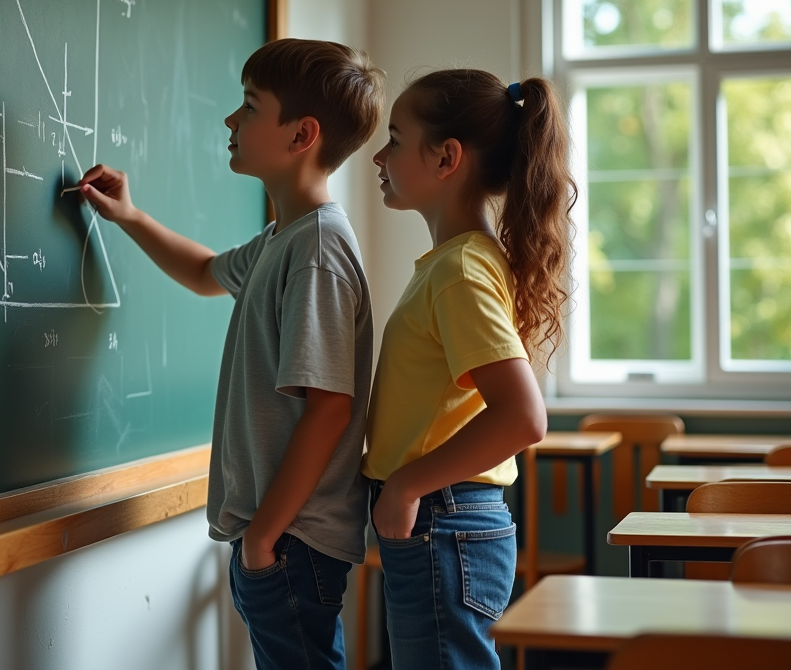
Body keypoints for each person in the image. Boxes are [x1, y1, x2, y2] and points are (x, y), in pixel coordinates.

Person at [74, 38, 386, 670]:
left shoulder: (317, 252)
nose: (230, 120)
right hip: (278, 537)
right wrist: (129, 216)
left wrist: (266, 536)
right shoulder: (284, 238)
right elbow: (204, 271)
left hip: (292, 538)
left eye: (248, 105)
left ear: (301, 135)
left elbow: (329, 410)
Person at [363, 69, 575, 670]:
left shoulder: (459, 271)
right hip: (444, 519)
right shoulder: (456, 264)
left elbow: (523, 418)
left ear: (447, 157)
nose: (380, 155)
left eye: (397, 139)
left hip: (443, 518)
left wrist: (406, 485)